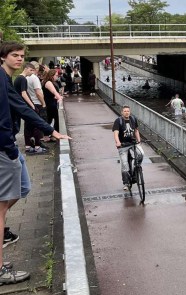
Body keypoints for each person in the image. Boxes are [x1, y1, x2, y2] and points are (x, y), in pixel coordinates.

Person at [1, 41, 71, 284]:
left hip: (8, 145)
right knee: (1, 207)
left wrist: (50, 131)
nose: (20, 59)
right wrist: (10, 148)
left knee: (22, 189)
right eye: (14, 55)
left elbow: (20, 107)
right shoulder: (2, 79)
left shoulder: (6, 79)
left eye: (22, 56)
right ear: (3, 57)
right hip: (4, 147)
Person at [14, 63, 47, 154]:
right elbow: (24, 93)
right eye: (31, 70)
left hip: (20, 105)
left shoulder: (17, 78)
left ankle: (28, 146)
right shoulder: (23, 79)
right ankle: (37, 147)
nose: (32, 73)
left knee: (27, 126)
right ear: (27, 69)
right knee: (37, 125)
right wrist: (32, 105)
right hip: (29, 104)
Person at [112, 105, 143, 191]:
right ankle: (126, 183)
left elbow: (136, 130)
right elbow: (115, 133)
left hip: (132, 143)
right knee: (125, 164)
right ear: (122, 112)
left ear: (130, 112)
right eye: (125, 111)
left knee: (141, 154)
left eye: (128, 111)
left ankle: (136, 172)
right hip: (122, 145)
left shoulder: (133, 119)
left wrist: (139, 141)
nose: (126, 112)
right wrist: (118, 142)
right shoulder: (118, 121)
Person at [42, 70, 63, 134]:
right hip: (50, 103)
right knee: (52, 119)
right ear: (51, 76)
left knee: (51, 119)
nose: (57, 76)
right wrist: (59, 97)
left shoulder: (50, 82)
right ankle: (50, 134)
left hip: (51, 101)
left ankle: (51, 134)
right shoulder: (48, 82)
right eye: (56, 75)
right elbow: (54, 92)